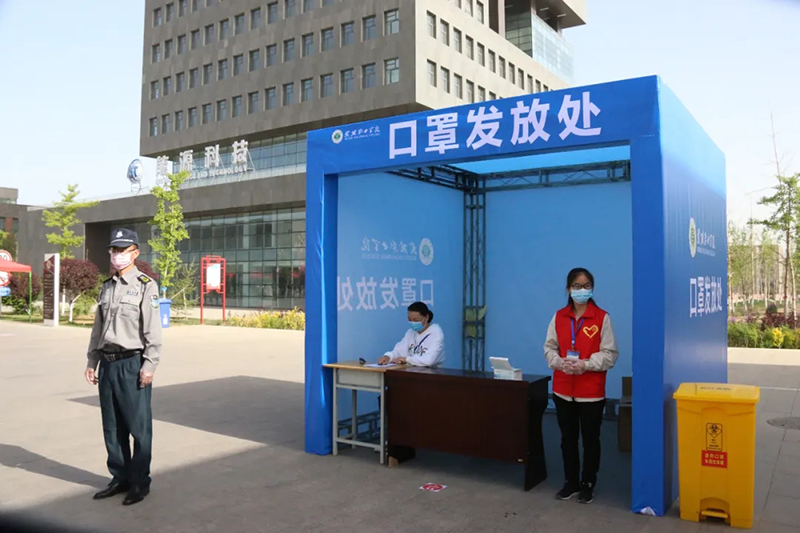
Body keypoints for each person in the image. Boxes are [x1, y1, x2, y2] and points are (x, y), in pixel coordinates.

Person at [84, 228, 163, 506]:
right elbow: (98, 328)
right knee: (112, 427)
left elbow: (153, 331)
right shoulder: (107, 286)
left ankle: (140, 482)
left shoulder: (145, 285)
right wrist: (92, 360)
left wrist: (149, 365)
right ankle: (120, 477)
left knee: (138, 428)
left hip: (132, 364)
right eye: (114, 250)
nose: (117, 255)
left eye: (122, 250)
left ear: (135, 252)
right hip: (107, 364)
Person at [544, 268, 619, 504]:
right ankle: (571, 482)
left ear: (592, 288)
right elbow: (549, 347)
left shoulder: (602, 317)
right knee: (567, 439)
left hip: (591, 392)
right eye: (577, 286)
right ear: (568, 289)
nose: (581, 290)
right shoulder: (559, 317)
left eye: (586, 286)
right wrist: (558, 361)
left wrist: (586, 364)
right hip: (563, 389)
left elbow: (610, 354)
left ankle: (588, 483)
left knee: (590, 440)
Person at [377, 302, 444, 367]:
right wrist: (388, 357)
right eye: (410, 320)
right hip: (411, 371)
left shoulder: (436, 333)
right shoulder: (410, 332)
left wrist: (407, 360)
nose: (413, 323)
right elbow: (399, 351)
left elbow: (429, 360)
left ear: (426, 317)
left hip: (431, 372)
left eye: (416, 320)